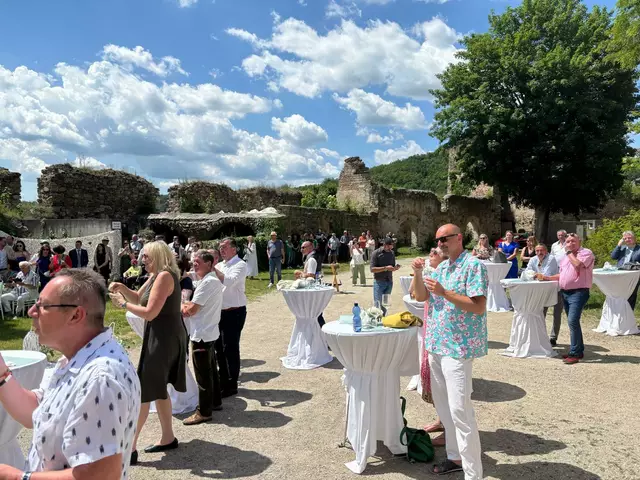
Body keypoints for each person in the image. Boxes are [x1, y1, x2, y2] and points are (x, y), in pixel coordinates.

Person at [0, 269, 141, 478]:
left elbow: (101, 475)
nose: (32, 311)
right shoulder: (77, 359)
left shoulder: (100, 378)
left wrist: (16, 476)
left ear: (76, 315)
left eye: (43, 306)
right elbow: (35, 411)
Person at [414, 223, 487, 478]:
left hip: (458, 348)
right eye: (437, 240)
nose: (440, 244)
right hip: (436, 345)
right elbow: (421, 297)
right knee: (445, 410)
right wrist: (418, 273)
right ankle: (455, 458)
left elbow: (478, 306)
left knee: (460, 411)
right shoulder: (442, 268)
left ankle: (473, 474)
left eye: (445, 238)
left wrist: (445, 292)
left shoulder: (473, 266)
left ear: (459, 238)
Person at [108, 241, 187, 463]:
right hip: (160, 336)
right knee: (158, 389)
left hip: (164, 339)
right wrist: (123, 289)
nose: (142, 260)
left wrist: (122, 304)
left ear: (158, 256)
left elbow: (150, 312)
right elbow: (139, 299)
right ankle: (168, 437)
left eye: (146, 257)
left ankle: (129, 448)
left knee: (144, 389)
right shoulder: (156, 275)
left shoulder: (164, 277)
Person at [410, 247, 448, 447]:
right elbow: (415, 294)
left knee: (444, 384)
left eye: (436, 251)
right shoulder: (431, 273)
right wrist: (417, 272)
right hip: (432, 328)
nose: (431, 253)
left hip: (445, 334)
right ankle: (442, 420)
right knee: (435, 380)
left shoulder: (448, 274)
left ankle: (450, 431)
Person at [536, 233, 594, 364]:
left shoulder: (585, 253)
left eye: (573, 241)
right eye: (568, 242)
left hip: (579, 292)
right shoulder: (566, 257)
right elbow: (562, 275)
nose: (570, 244)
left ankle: (575, 353)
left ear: (579, 241)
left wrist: (568, 253)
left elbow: (578, 265)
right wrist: (546, 277)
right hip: (565, 293)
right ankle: (578, 350)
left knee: (572, 321)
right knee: (572, 322)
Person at [181, 250, 225, 425]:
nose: (194, 264)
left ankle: (204, 412)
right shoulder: (208, 280)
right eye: (193, 261)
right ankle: (215, 401)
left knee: (203, 376)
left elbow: (190, 311)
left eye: (197, 261)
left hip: (202, 334)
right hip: (208, 332)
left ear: (209, 263)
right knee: (211, 370)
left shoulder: (208, 282)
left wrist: (181, 304)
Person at [212, 238, 248, 398]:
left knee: (230, 348)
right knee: (219, 348)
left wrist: (212, 268)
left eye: (224, 247)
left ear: (234, 249)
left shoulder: (240, 265)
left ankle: (232, 384)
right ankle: (223, 380)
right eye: (220, 247)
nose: (221, 250)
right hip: (219, 312)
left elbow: (229, 281)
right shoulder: (220, 265)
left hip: (235, 312)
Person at [526, 244, 560, 330]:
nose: (539, 252)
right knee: (540, 311)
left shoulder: (551, 258)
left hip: (554, 288)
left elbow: (546, 274)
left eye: (541, 250)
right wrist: (534, 275)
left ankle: (553, 336)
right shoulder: (533, 259)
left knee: (556, 313)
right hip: (540, 289)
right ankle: (540, 333)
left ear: (546, 251)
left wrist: (534, 275)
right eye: (537, 251)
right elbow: (527, 272)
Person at [295, 241, 326, 328]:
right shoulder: (311, 257)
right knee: (316, 313)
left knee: (315, 313)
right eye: (301, 247)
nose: (301, 249)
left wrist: (301, 274)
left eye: (303, 247)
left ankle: (322, 331)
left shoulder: (312, 259)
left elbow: (311, 275)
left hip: (312, 288)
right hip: (314, 286)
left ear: (310, 247)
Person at [370, 237, 400, 315]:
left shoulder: (392, 253)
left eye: (392, 246)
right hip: (379, 282)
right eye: (390, 246)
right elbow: (372, 269)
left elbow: (391, 267)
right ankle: (377, 320)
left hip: (389, 282)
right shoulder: (376, 253)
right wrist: (385, 268)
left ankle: (384, 320)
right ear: (385, 245)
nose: (391, 248)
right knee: (377, 305)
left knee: (385, 305)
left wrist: (395, 268)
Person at [610, 230, 640, 309]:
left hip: (633, 275)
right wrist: (619, 245)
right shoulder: (622, 248)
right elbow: (613, 256)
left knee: (631, 295)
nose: (627, 240)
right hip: (620, 274)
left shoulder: (639, 249)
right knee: (619, 294)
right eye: (625, 238)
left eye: (629, 238)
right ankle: (620, 311)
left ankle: (629, 312)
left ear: (634, 238)